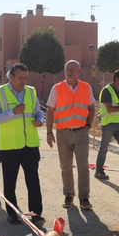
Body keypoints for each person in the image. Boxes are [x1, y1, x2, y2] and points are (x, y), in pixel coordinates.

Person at [0, 63, 45, 225]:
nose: (23, 81)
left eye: (25, 77)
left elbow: (38, 111)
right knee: (10, 182)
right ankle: (12, 213)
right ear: (10, 77)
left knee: (33, 181)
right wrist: (13, 112)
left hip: (30, 145)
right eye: (20, 77)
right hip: (10, 145)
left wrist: (40, 121)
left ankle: (36, 213)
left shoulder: (31, 91)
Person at [45, 60, 96, 210]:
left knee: (83, 166)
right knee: (66, 167)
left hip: (81, 132)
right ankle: (69, 195)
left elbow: (92, 108)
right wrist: (49, 132)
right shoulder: (57, 88)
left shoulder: (86, 87)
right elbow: (50, 112)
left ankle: (84, 198)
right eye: (67, 69)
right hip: (63, 133)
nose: (70, 71)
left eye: (73, 69)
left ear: (79, 71)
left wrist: (87, 125)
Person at [94, 69, 119, 180]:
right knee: (104, 148)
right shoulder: (107, 90)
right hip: (109, 123)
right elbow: (109, 109)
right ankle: (99, 171)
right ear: (116, 79)